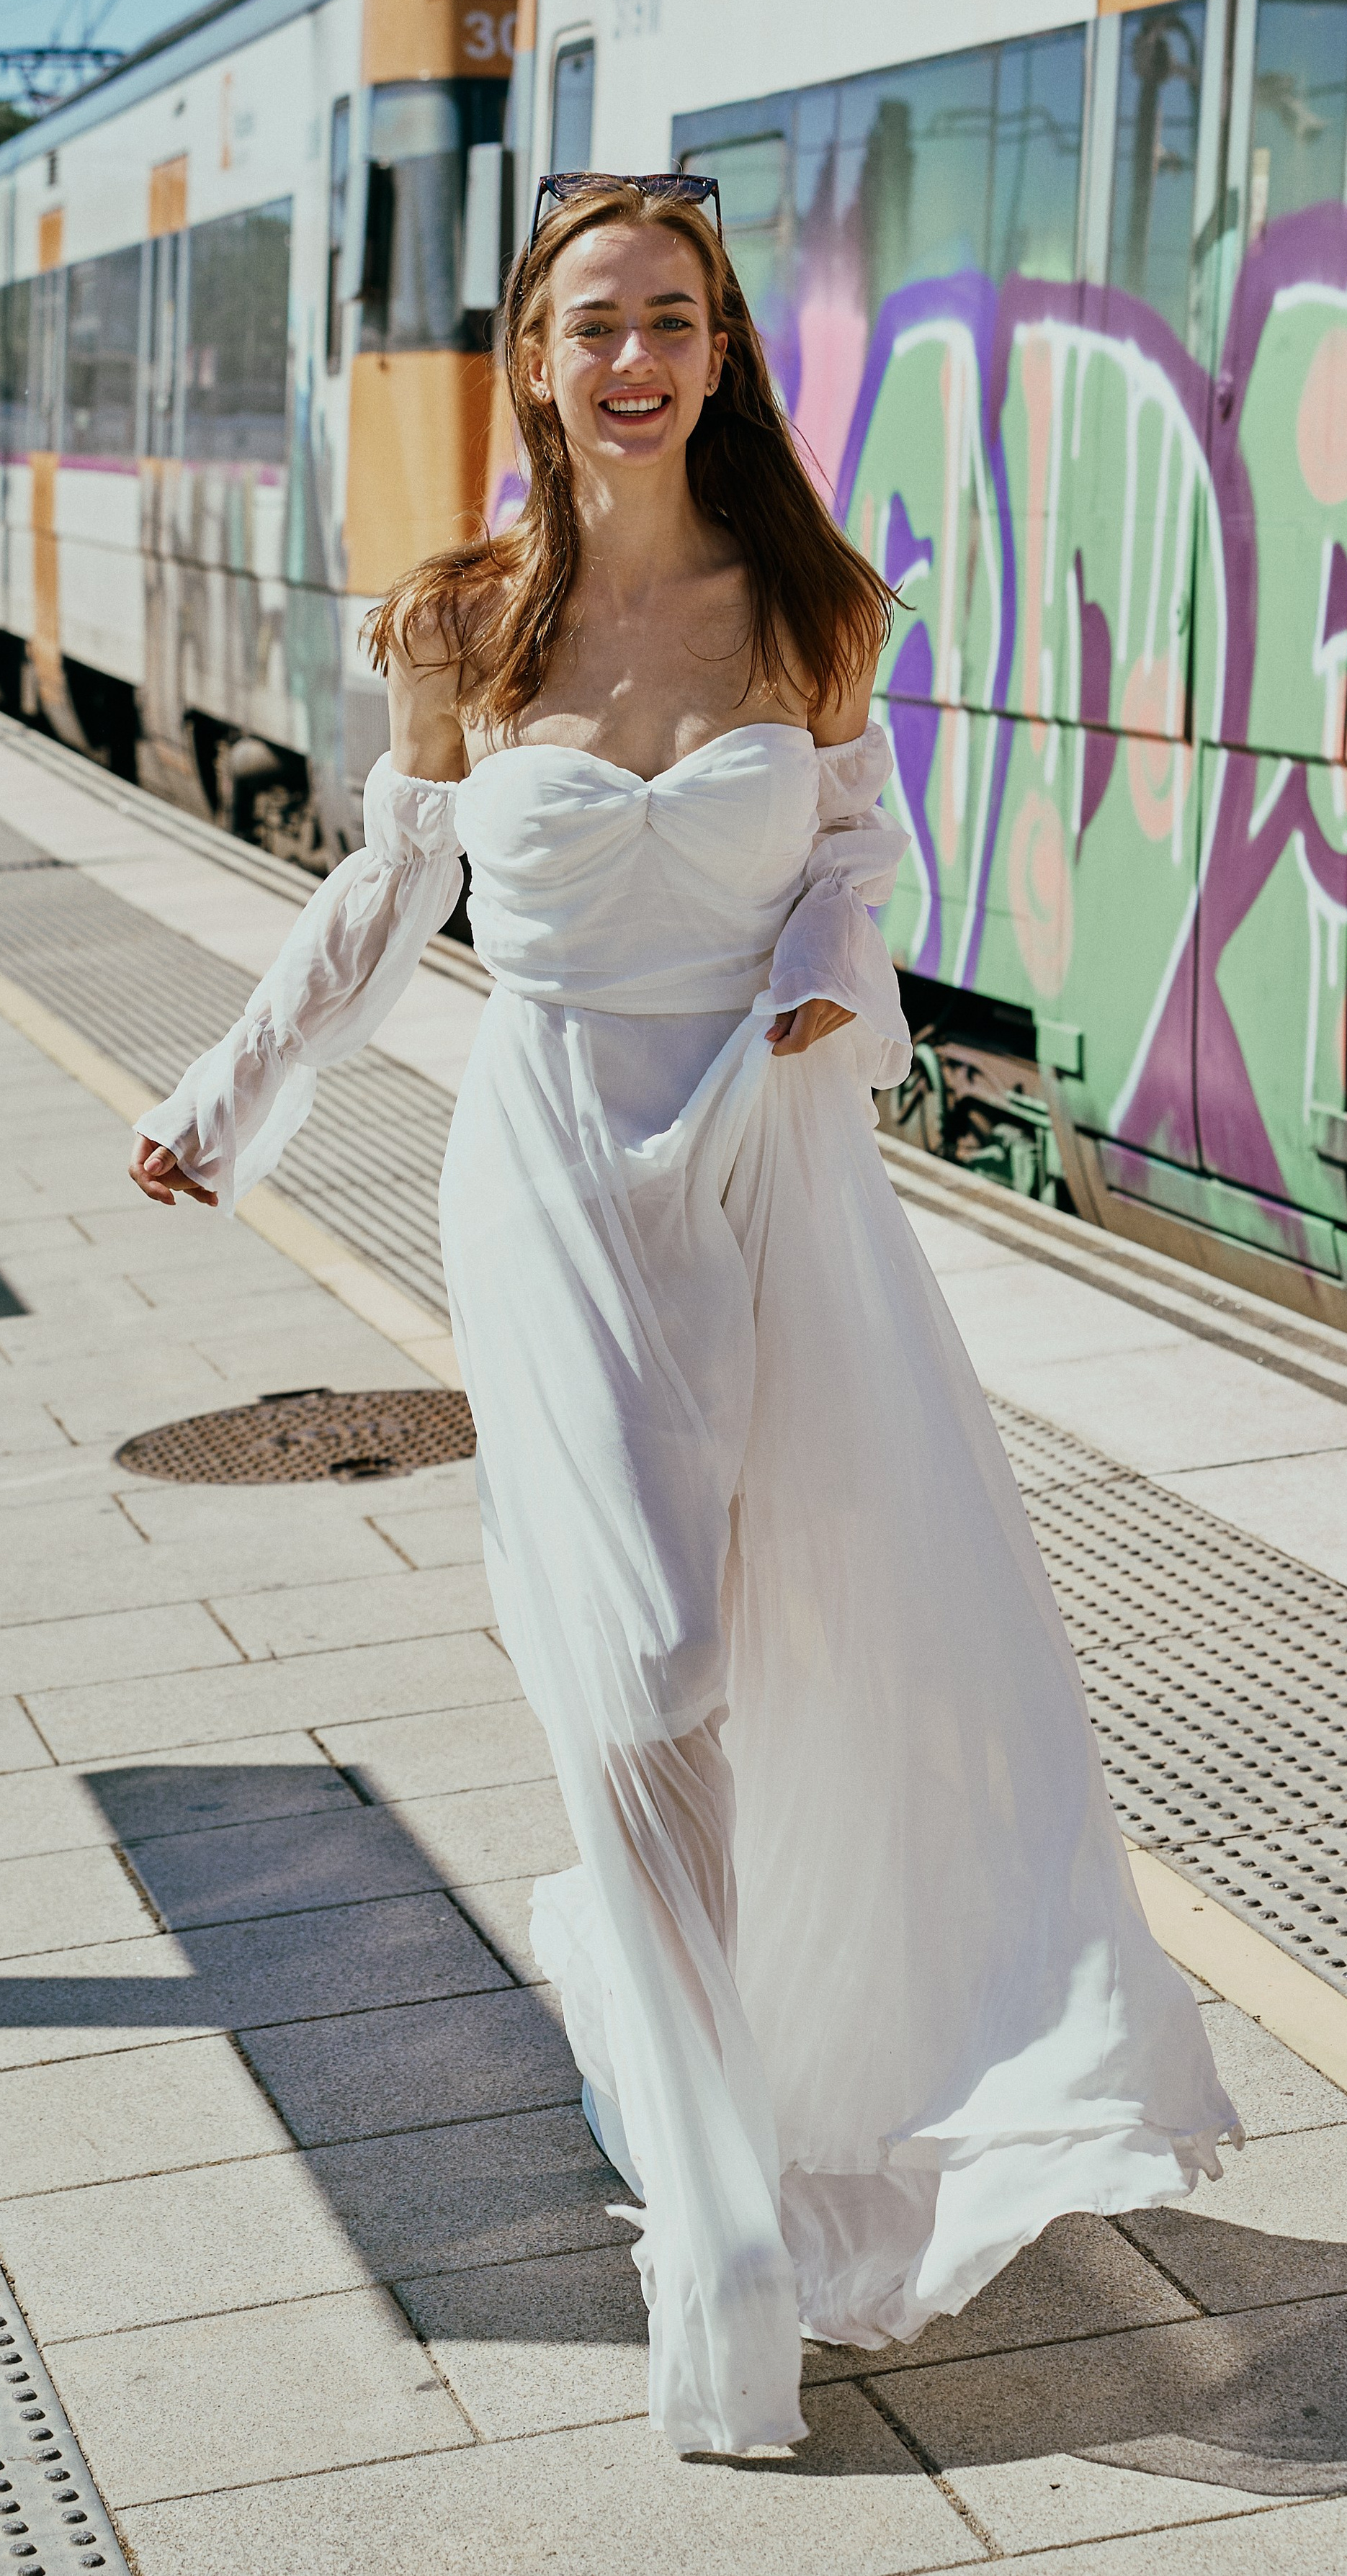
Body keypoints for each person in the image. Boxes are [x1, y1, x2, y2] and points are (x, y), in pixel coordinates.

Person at [129, 176, 1241, 2455]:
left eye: (671, 319)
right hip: (551, 1181)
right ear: (530, 360)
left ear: (721, 350)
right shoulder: (458, 622)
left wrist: (841, 991)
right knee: (641, 1678)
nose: (629, 357)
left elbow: (861, 859)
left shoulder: (812, 605)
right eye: (587, 323)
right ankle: (723, 2234)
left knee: (809, 1657)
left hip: (773, 1178)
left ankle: (769, 2063)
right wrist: (222, 1105)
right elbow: (384, 897)